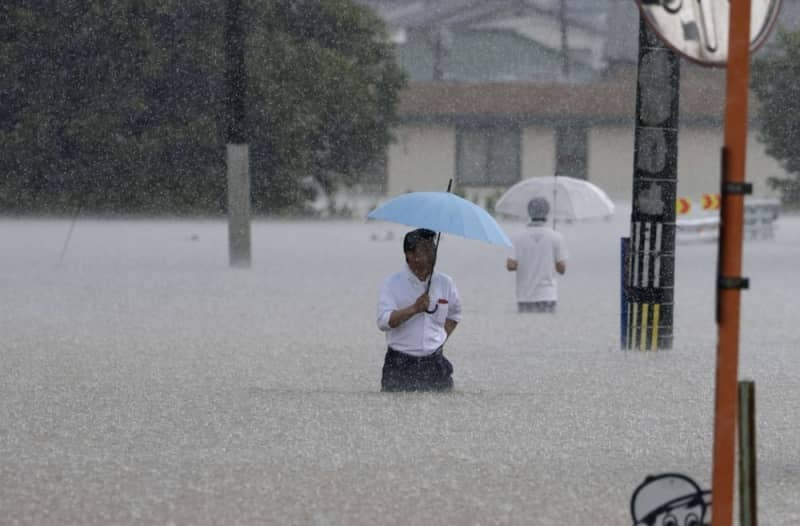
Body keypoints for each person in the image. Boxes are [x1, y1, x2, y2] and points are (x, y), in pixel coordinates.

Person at [376, 228, 462, 392]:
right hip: (400, 364)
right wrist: (414, 309)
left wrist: (439, 340)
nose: (432, 253)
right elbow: (383, 321)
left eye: (433, 247)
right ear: (410, 255)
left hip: (435, 363)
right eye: (425, 249)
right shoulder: (392, 283)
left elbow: (455, 314)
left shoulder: (445, 283)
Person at [506, 197, 568, 313]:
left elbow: (510, 266)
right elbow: (562, 269)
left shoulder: (517, 237)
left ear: (529, 212)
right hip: (548, 296)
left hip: (524, 296)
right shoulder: (556, 237)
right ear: (547, 212)